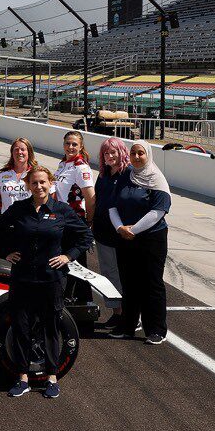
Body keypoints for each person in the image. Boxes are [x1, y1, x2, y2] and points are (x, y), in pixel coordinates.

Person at [0, 166, 93, 399]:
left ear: (51, 183)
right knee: (21, 326)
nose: (39, 187)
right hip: (23, 277)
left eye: (43, 183)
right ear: (28, 185)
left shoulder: (62, 211)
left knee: (50, 327)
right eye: (34, 183)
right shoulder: (19, 209)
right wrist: (6, 252)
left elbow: (85, 236)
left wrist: (68, 256)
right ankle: (23, 377)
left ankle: (52, 378)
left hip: (52, 279)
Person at [109, 141, 171, 345]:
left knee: (151, 284)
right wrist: (120, 228)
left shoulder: (157, 179)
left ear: (148, 155)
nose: (136, 157)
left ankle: (156, 329)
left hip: (151, 239)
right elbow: (112, 206)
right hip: (125, 237)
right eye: (133, 153)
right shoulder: (126, 174)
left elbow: (158, 211)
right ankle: (128, 325)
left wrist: (133, 230)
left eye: (140, 153)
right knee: (129, 282)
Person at [54, 131, 96, 305]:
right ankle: (73, 299)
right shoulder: (63, 163)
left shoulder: (81, 166)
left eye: (74, 144)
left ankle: (83, 301)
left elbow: (91, 198)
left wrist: (88, 222)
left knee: (76, 262)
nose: (70, 147)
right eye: (68, 143)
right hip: (62, 219)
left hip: (74, 220)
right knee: (66, 261)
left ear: (80, 146)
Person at [94, 136, 130, 328]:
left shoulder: (129, 174)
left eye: (113, 152)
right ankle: (117, 312)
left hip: (122, 234)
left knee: (125, 273)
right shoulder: (103, 175)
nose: (109, 156)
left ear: (121, 152)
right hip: (102, 232)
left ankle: (131, 313)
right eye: (106, 153)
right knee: (108, 273)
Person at [0, 137, 44, 217]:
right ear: (12, 153)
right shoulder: (1, 174)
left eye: (23, 149)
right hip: (8, 221)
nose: (19, 152)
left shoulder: (37, 173)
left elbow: (48, 196)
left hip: (30, 222)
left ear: (29, 152)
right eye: (16, 149)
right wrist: (4, 209)